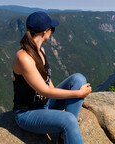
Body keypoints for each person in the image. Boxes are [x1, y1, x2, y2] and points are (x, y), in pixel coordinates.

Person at [12, 11, 92, 144]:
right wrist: (78, 94)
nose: (52, 32)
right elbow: (44, 91)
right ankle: (67, 128)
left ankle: (63, 135)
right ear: (44, 31)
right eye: (52, 29)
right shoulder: (24, 58)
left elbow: (49, 84)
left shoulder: (41, 51)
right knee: (69, 120)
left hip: (46, 104)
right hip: (28, 113)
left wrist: (69, 95)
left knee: (78, 78)